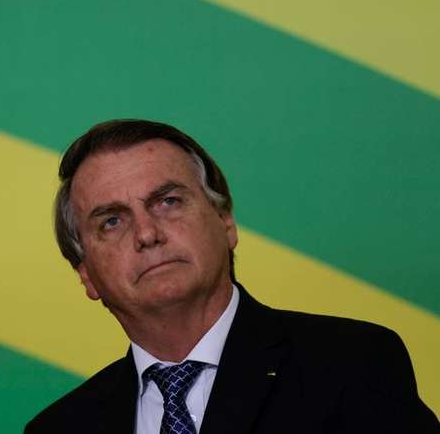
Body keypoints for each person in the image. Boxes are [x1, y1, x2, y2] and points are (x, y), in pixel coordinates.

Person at [25, 119, 437, 434]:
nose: (147, 234)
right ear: (86, 275)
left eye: (168, 201)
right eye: (112, 221)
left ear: (225, 221)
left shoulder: (351, 365)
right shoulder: (60, 427)